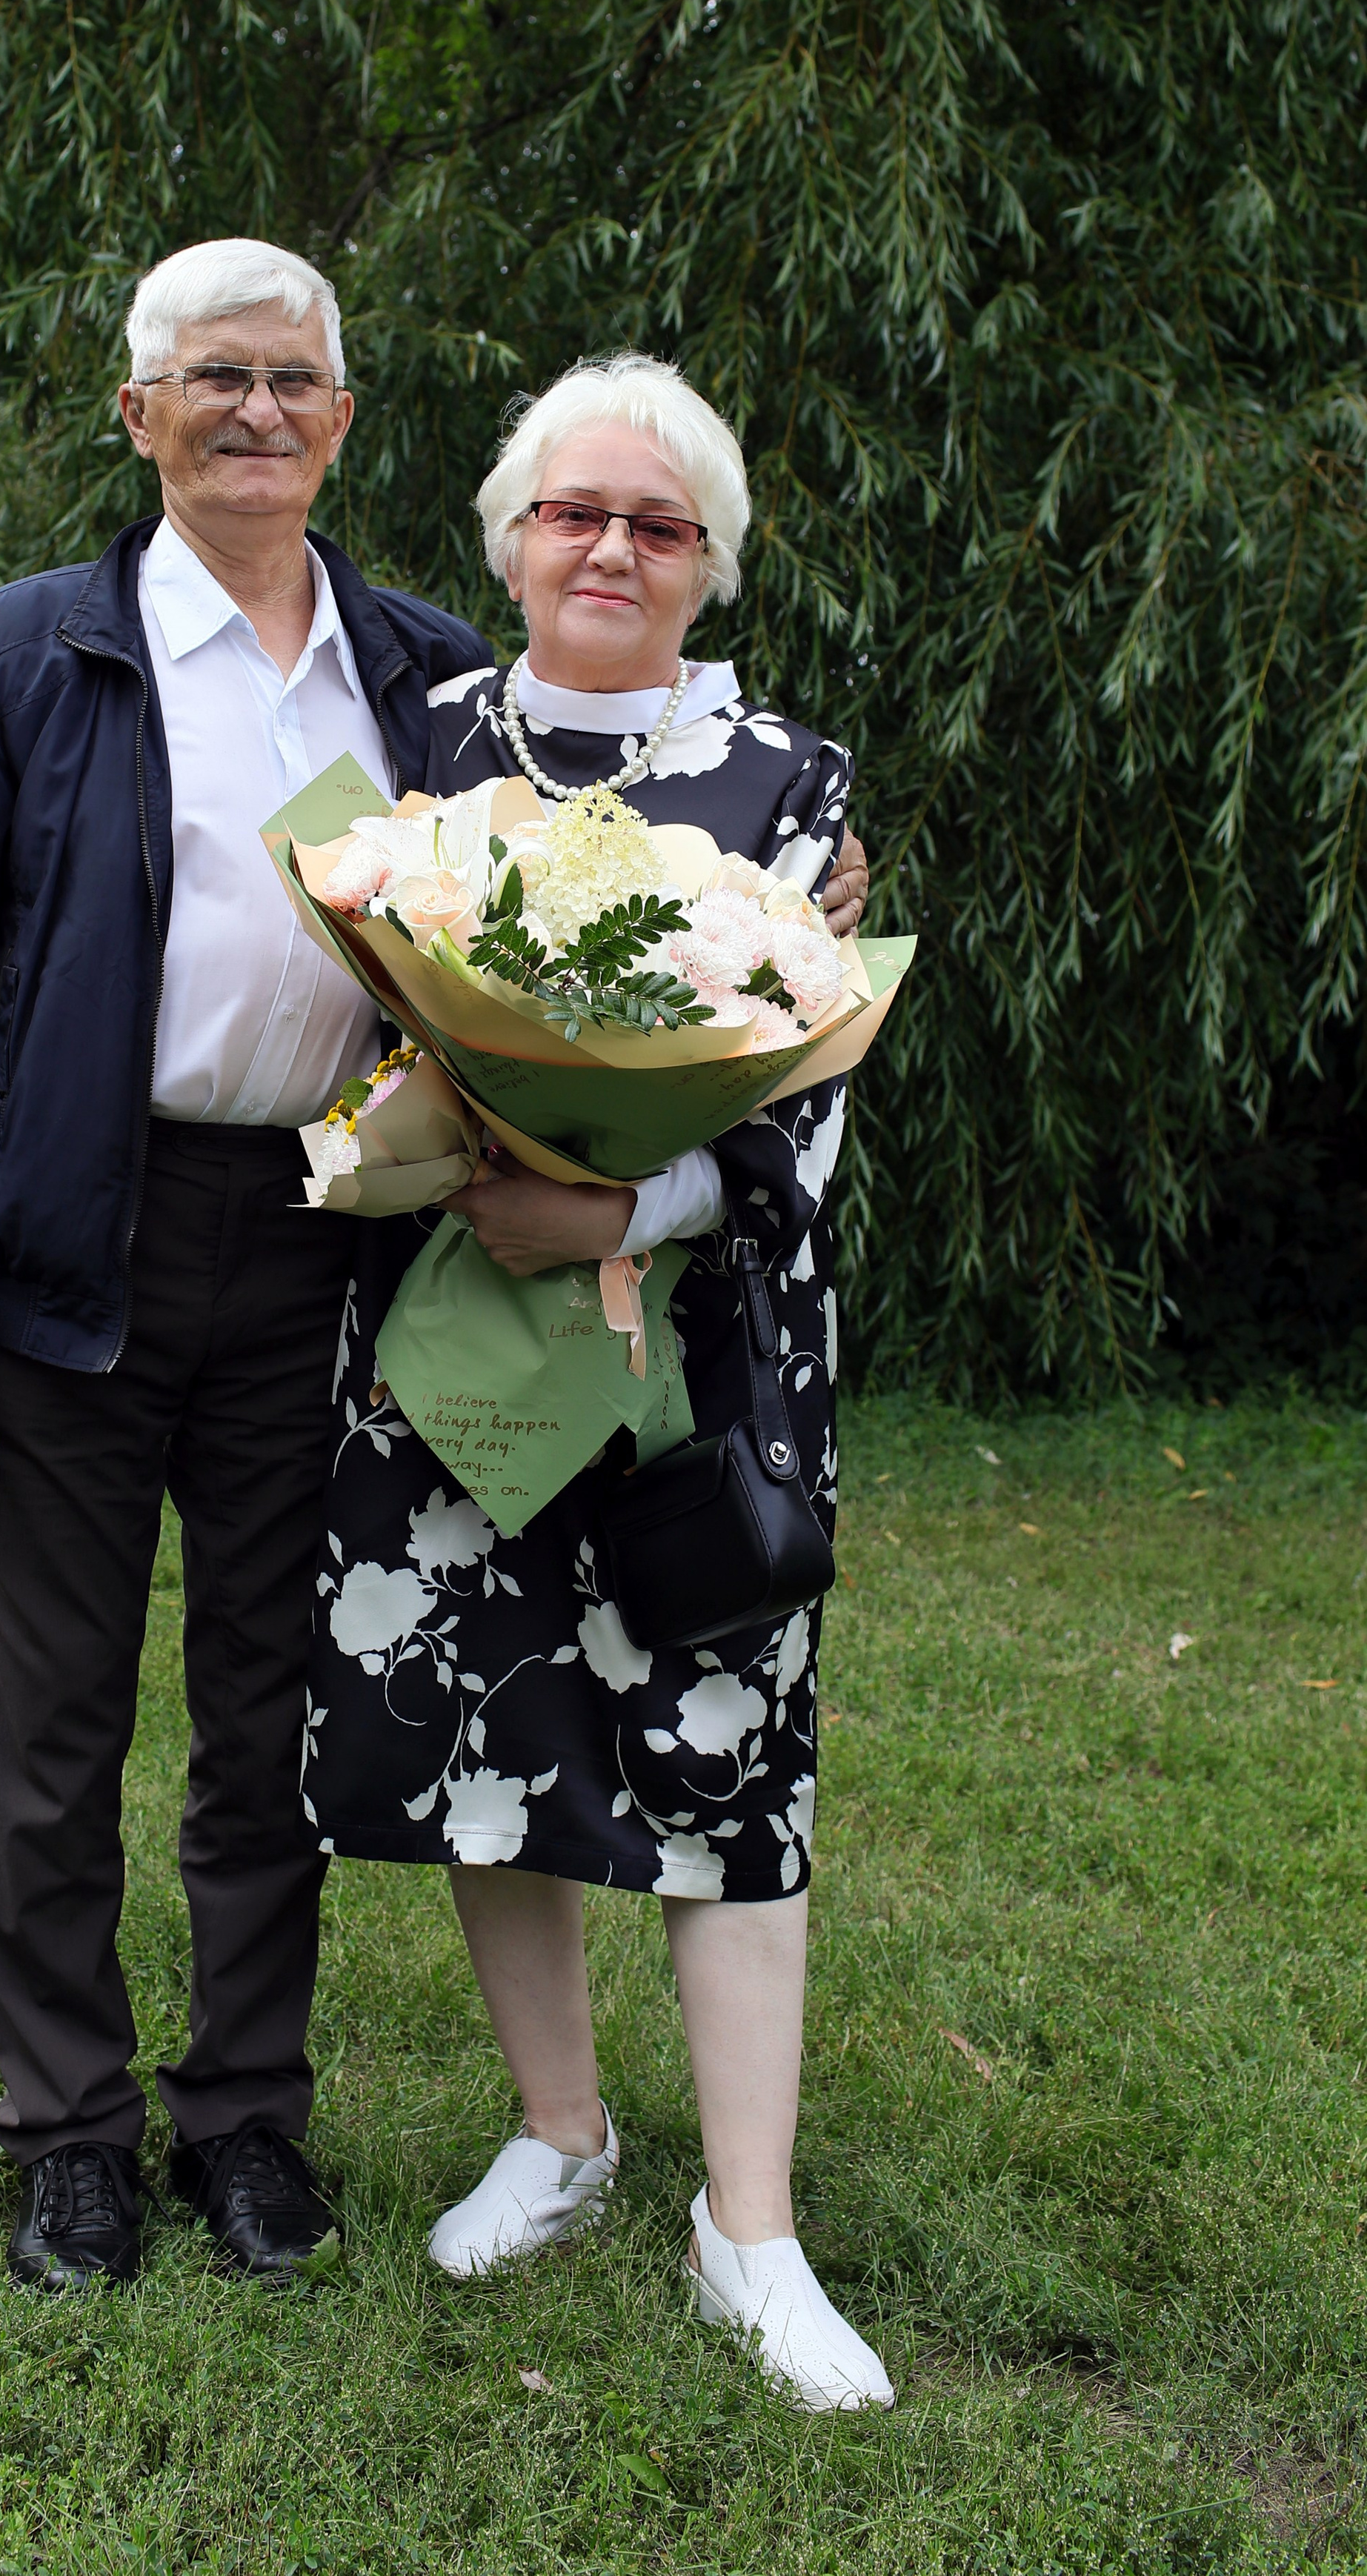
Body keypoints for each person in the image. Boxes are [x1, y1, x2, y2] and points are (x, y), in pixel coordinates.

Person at [0, 237, 871, 2300]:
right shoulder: (26, 658)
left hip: (318, 1249)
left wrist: (799, 907)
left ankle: (240, 2123)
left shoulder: (406, 676)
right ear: (139, 415)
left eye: (295, 379)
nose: (257, 411)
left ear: (344, 420)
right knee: (46, 1724)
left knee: (263, 1717)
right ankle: (66, 2142)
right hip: (69, 1236)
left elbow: (587, 848)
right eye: (213, 378)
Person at [303, 354, 894, 2411]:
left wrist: (621, 1215)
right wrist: (426, 1151)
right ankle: (561, 2135)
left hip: (701, 1364)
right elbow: (364, 1024)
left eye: (660, 524)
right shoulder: (420, 758)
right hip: (462, 1343)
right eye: (578, 514)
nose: (614, 550)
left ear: (712, 562)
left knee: (726, 1761)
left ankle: (756, 2231)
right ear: (511, 538)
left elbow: (805, 1100)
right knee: (499, 1748)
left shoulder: (789, 780)